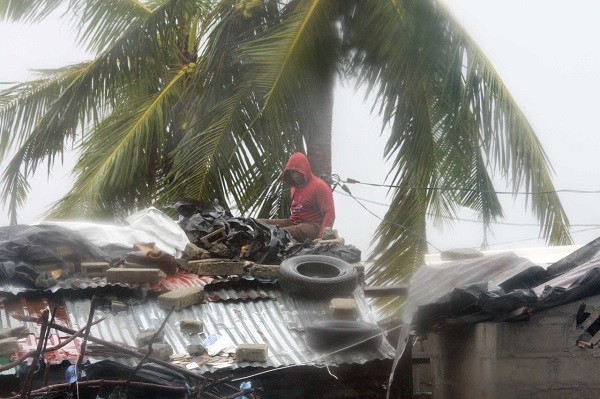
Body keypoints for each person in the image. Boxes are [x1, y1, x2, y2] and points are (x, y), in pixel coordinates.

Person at [262, 152, 335, 242]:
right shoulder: (293, 188)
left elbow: (330, 213)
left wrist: (321, 237)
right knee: (259, 224)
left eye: (298, 172)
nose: (295, 175)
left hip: (313, 225)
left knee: (279, 233)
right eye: (292, 172)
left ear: (305, 170)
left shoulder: (319, 186)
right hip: (295, 223)